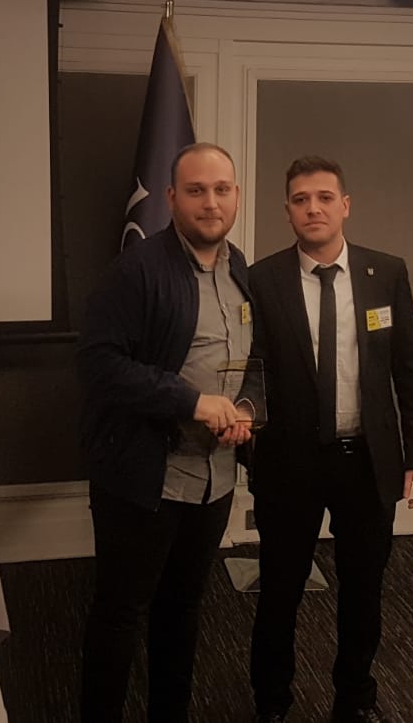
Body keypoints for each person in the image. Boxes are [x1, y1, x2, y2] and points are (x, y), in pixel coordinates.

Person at [246, 156, 413, 723]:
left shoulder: (386, 273)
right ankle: (271, 702)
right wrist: (249, 449)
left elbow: (409, 373)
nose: (314, 209)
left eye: (325, 197)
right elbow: (252, 372)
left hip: (367, 463)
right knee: (280, 591)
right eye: (301, 199)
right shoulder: (261, 279)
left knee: (363, 591)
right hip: (290, 464)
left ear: (345, 206)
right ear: (286, 211)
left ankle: (354, 699)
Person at [77, 142, 255, 723]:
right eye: (197, 191)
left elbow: (256, 362)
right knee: (121, 613)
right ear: (173, 198)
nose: (211, 203)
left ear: (237, 196)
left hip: (213, 480)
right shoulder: (136, 270)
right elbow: (100, 365)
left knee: (183, 608)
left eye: (221, 190)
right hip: (143, 478)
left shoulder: (240, 268)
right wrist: (192, 402)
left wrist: (245, 407)